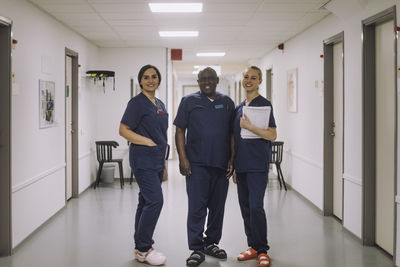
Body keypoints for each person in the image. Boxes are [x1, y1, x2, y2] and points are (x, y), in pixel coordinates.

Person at [174, 67, 235, 267]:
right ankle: (196, 248)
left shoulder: (227, 103)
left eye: (210, 79)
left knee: (218, 208)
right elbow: (180, 130)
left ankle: (211, 243)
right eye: (202, 79)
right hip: (197, 164)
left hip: (221, 164)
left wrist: (232, 159)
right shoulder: (188, 101)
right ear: (198, 81)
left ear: (217, 80)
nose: (206, 82)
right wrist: (183, 158)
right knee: (197, 208)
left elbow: (232, 134)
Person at [119, 64, 168, 266]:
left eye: (154, 76)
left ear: (158, 80)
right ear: (140, 81)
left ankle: (140, 247)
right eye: (146, 77)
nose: (150, 80)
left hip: (156, 160)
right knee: (156, 201)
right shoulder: (137, 103)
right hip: (143, 160)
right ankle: (144, 247)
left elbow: (161, 135)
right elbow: (123, 129)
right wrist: (144, 141)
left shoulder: (159, 104)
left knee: (145, 201)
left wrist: (163, 163)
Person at [233, 66, 277, 267]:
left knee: (256, 207)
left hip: (257, 165)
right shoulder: (239, 107)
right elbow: (234, 138)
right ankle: (252, 246)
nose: (248, 80)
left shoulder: (264, 105)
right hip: (241, 165)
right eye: (246, 77)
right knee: (245, 208)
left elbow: (272, 135)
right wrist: (233, 165)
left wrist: (250, 127)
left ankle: (262, 250)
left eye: (253, 78)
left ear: (260, 81)